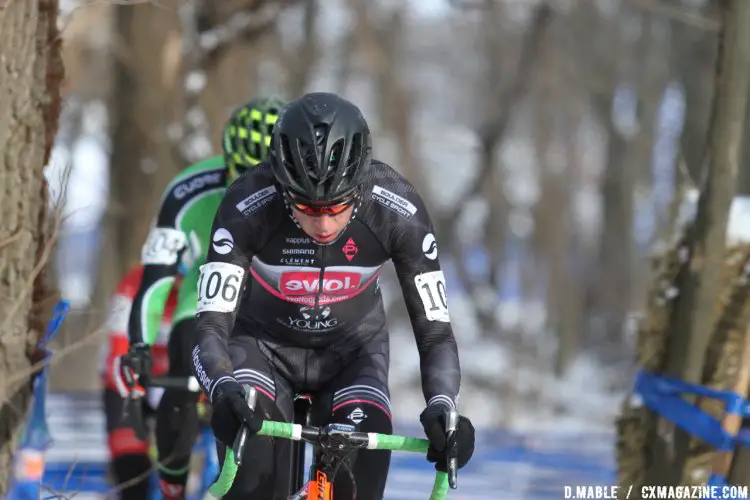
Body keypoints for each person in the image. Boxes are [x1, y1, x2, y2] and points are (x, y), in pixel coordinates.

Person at [191, 92, 476, 500]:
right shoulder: (247, 203)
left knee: (355, 483)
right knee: (251, 476)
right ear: (282, 187)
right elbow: (212, 324)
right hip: (261, 349)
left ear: (360, 187)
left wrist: (444, 406)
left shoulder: (398, 207)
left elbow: (435, 334)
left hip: (354, 355)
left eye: (338, 206)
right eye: (306, 206)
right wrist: (222, 388)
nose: (323, 223)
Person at [110, 95, 288, 499]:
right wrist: (138, 343)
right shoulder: (188, 190)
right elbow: (156, 280)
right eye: (241, 176)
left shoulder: (306, 190)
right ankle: (173, 487)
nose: (251, 191)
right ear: (226, 160)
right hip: (206, 300)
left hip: (277, 305)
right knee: (183, 375)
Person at [101, 264, 177, 500]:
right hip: (130, 380)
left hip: (180, 379)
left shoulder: (205, 282)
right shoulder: (132, 284)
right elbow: (118, 346)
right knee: (130, 463)